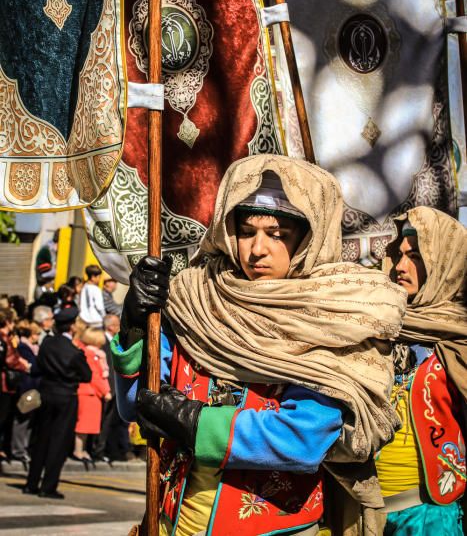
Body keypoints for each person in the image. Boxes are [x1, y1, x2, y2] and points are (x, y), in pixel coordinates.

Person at [113, 155, 406, 535]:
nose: (257, 249)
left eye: (278, 234)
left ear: (307, 239)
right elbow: (134, 402)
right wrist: (135, 324)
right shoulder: (193, 301)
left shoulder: (335, 315)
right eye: (247, 231)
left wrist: (198, 424)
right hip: (173, 522)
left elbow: (305, 437)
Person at [376, 206, 466, 535]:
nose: (400, 267)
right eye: (398, 255)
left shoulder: (460, 335)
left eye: (414, 256)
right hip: (366, 512)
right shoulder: (377, 325)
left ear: (441, 261)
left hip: (430, 516)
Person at [24, 306, 91, 498]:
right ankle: (48, 486)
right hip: (66, 396)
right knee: (59, 442)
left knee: (41, 438)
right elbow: (86, 376)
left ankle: (31, 483)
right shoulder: (74, 351)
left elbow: (38, 366)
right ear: (71, 327)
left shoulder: (47, 344)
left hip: (46, 393)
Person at [94, 314, 131, 462]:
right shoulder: (103, 342)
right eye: (116, 325)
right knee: (103, 422)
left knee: (112, 422)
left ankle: (108, 450)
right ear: (110, 326)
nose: (118, 327)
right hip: (107, 389)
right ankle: (98, 450)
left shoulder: (115, 342)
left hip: (115, 389)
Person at [73, 326, 111, 465]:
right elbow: (94, 375)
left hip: (92, 393)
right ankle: (78, 450)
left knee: (87, 426)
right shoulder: (90, 354)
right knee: (83, 425)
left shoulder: (93, 353)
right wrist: (105, 391)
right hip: (89, 392)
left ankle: (82, 450)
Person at [0, 309, 30, 460]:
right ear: (7, 322)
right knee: (2, 415)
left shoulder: (9, 337)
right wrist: (24, 365)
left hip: (7, 383)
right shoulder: (3, 337)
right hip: (4, 382)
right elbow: (10, 359)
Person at [11, 320, 41, 467]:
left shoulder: (33, 348)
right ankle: (18, 450)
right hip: (26, 387)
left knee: (29, 420)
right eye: (37, 334)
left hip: (34, 388)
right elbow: (34, 367)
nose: (38, 337)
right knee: (22, 419)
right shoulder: (23, 347)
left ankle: (25, 448)